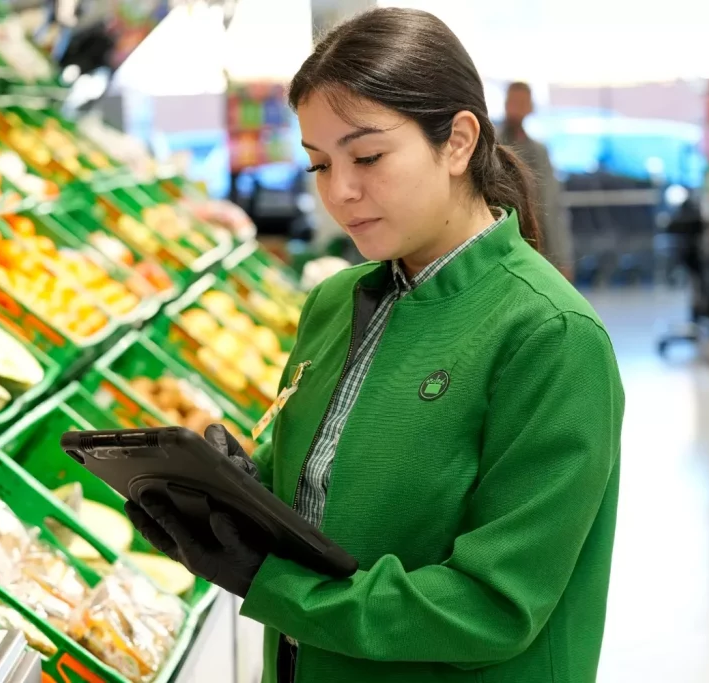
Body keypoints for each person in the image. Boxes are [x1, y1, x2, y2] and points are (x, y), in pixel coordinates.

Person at [125, 8, 624, 683]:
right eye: (319, 164)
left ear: (457, 142)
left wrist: (273, 585)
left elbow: (494, 605)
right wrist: (234, 495)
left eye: (367, 156)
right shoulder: (335, 303)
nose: (341, 191)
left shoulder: (550, 336)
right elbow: (321, 494)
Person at [499, 81, 576, 280]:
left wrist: (563, 259)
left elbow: (553, 206)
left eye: (522, 103)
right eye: (513, 102)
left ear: (530, 108)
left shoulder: (539, 152)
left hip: (537, 247)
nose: (516, 108)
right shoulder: (491, 145)